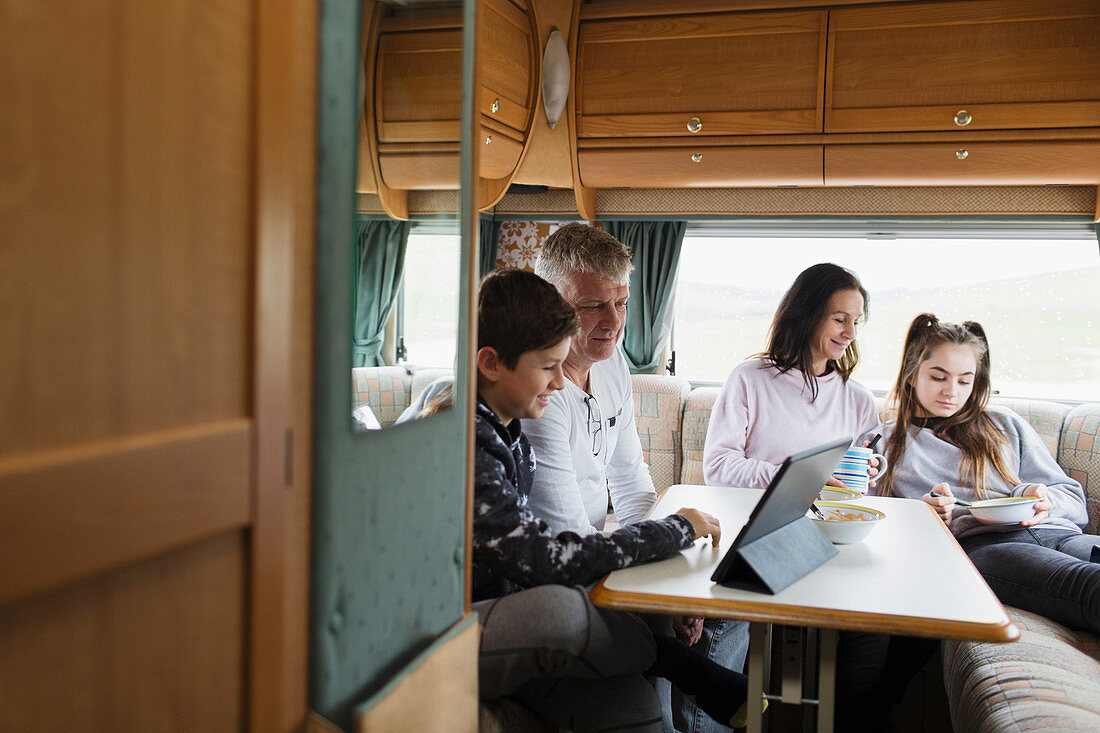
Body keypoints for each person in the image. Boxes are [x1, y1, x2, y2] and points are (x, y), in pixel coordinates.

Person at [472, 269, 757, 731]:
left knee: (631, 707)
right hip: (448, 629)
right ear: (490, 363)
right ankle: (670, 660)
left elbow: (625, 482)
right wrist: (676, 530)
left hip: (507, 608)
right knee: (561, 612)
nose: (559, 383)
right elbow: (546, 557)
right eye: (547, 368)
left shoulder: (510, 434)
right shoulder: (467, 437)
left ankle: (662, 670)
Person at [703, 263, 932, 733]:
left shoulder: (856, 397)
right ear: (807, 315)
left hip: (831, 539)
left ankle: (851, 721)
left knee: (878, 622)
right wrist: (800, 479)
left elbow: (858, 484)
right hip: (760, 533)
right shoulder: (750, 379)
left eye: (856, 320)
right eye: (838, 319)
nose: (850, 332)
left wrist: (868, 470)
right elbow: (719, 468)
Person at [870, 313, 1098, 633]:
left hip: (1058, 533)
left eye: (965, 380)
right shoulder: (888, 443)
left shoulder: (1004, 424)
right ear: (911, 374)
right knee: (1087, 586)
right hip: (987, 549)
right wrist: (926, 515)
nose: (952, 390)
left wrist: (1040, 499)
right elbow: (873, 522)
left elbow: (1071, 497)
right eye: (939, 377)